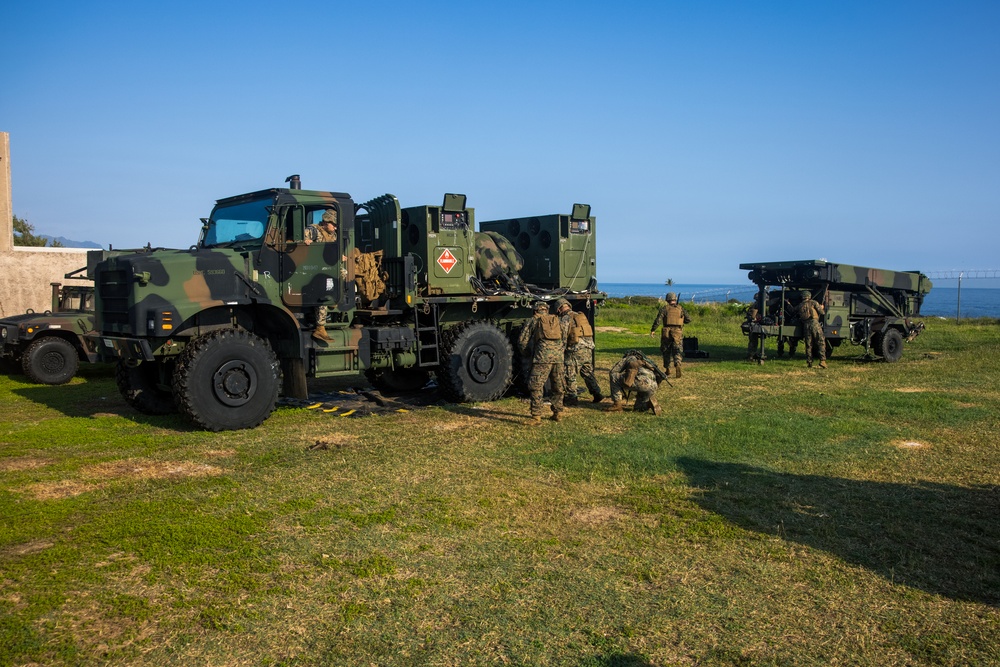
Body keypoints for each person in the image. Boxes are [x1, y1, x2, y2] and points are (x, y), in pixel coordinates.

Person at [517, 301, 568, 424]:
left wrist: (528, 354)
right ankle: (558, 413)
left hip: (542, 358)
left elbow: (522, 342)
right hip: (558, 358)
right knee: (558, 385)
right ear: (547, 310)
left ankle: (536, 417)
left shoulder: (533, 320)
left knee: (535, 385)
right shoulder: (557, 320)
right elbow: (564, 339)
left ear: (535, 310)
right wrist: (559, 352)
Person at [554, 298, 603, 404]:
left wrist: (559, 350)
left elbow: (562, 337)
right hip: (588, 348)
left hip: (575, 350)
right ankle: (597, 393)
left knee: (569, 373)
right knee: (587, 372)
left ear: (559, 309)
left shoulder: (565, 319)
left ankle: (572, 397)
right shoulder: (580, 316)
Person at [303, 210, 338, 342]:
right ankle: (320, 328)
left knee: (343, 273)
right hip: (312, 269)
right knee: (323, 293)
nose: (335, 227)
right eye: (333, 224)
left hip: (327, 268)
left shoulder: (333, 235)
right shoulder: (313, 230)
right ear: (325, 221)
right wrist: (305, 242)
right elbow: (298, 240)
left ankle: (334, 298)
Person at [605, 350, 666, 415]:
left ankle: (617, 405)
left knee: (614, 377)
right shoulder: (646, 361)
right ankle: (648, 404)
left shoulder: (629, 358)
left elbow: (613, 371)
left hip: (642, 382)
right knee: (638, 409)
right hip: (653, 385)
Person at [649, 292, 691, 378]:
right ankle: (677, 363)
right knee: (677, 349)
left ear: (667, 299)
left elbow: (658, 320)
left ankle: (668, 369)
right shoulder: (681, 308)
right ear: (675, 299)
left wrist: (653, 329)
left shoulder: (665, 309)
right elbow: (688, 319)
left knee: (666, 351)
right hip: (677, 332)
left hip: (666, 331)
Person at [798, 290, 827, 368]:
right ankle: (822, 361)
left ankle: (809, 362)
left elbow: (793, 310)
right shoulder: (813, 302)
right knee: (820, 341)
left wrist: (788, 304)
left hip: (806, 325)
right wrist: (822, 307)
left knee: (809, 344)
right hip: (814, 323)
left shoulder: (800, 305)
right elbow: (822, 312)